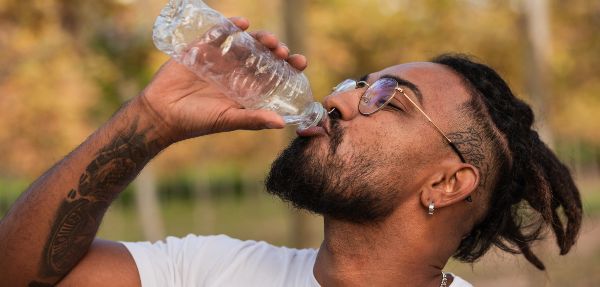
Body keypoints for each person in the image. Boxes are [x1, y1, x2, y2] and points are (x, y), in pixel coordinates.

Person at [0, 17, 582, 287]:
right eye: (357, 82)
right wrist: (147, 123)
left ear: (447, 184)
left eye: (388, 100)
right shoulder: (209, 270)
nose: (338, 99)